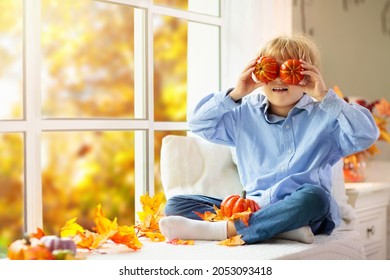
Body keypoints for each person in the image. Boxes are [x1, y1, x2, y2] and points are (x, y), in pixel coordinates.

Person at [158, 33, 379, 244]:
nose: (279, 78)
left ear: (308, 75)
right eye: (271, 69)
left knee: (316, 197)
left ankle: (227, 230)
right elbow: (198, 123)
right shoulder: (244, 113)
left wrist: (324, 96)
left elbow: (366, 135)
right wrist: (236, 93)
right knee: (177, 204)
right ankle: (283, 228)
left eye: (290, 69)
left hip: (307, 208)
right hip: (254, 207)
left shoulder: (326, 116)